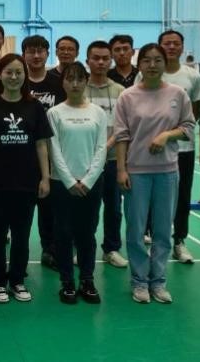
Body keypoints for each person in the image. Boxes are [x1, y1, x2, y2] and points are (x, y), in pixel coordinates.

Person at [114, 43, 195, 304]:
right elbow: (121, 136)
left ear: (164, 63)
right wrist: (121, 169)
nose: (152, 65)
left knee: (162, 230)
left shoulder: (178, 94)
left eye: (157, 60)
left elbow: (188, 127)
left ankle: (158, 282)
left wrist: (167, 135)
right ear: (139, 64)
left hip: (167, 172)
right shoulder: (127, 97)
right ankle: (139, 281)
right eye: (146, 60)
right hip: (137, 173)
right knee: (136, 230)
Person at [0, 54, 52, 304]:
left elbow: (41, 144)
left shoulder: (35, 107)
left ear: (25, 75)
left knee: (22, 235)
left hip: (27, 182)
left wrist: (45, 177)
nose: (13, 77)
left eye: (18, 72)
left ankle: (18, 280)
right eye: (8, 72)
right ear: (0, 74)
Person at [47, 62, 108, 305]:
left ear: (86, 81)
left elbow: (101, 148)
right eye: (70, 79)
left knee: (87, 234)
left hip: (92, 184)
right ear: (63, 82)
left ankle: (87, 280)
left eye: (79, 79)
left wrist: (89, 179)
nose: (74, 84)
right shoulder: (54, 113)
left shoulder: (98, 113)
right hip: (61, 184)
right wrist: (70, 181)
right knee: (63, 233)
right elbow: (54, 150)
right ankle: (67, 282)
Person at [156, 30, 200, 264]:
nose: (172, 47)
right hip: (153, 148)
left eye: (176, 43)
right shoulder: (149, 72)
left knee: (182, 196)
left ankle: (179, 241)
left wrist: (179, 130)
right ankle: (155, 239)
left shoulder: (192, 76)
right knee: (155, 197)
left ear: (182, 48)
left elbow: (196, 109)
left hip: (183, 148)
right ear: (160, 46)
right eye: (167, 43)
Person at [21, 34, 65, 270]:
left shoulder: (58, 83)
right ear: (24, 54)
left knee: (50, 207)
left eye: (41, 51)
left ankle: (50, 249)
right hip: (23, 155)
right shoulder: (17, 81)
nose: (36, 55)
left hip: (53, 154)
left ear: (48, 54)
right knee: (21, 207)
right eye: (31, 51)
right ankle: (18, 254)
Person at [85, 40, 128, 268]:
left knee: (113, 208)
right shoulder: (80, 88)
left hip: (112, 160)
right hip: (85, 161)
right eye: (96, 58)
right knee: (86, 210)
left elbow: (123, 127)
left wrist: (106, 147)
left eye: (105, 58)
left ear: (110, 61)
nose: (100, 62)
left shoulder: (120, 91)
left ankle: (111, 249)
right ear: (87, 61)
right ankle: (83, 247)